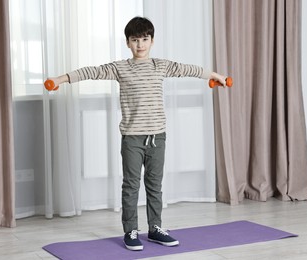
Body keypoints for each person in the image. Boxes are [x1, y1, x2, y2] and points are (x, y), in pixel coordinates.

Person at [47, 16, 227, 251]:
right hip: (132, 138)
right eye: (135, 40)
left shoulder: (160, 65)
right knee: (131, 186)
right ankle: (130, 231)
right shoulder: (121, 68)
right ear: (127, 43)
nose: (140, 44)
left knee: (155, 185)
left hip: (158, 137)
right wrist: (59, 79)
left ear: (152, 41)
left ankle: (155, 228)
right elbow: (91, 71)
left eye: (144, 39)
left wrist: (215, 76)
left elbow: (189, 69)